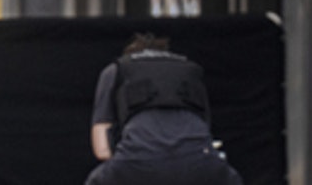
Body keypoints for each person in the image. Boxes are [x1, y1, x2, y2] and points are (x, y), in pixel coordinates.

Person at [85, 33, 243, 185]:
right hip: (199, 164)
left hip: (137, 161)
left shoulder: (116, 70)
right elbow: (206, 131)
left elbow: (102, 150)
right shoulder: (191, 72)